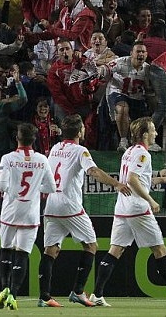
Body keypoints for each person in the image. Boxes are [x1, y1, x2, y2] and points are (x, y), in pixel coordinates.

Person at [89, 116, 166, 307]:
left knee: (115, 249)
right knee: (159, 249)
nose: (156, 133)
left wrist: (162, 180)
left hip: (123, 207)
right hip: (138, 208)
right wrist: (151, 200)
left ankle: (96, 295)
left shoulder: (129, 152)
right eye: (152, 130)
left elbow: (138, 180)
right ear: (144, 134)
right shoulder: (143, 154)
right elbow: (132, 179)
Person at [38, 114, 131, 308]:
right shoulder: (81, 151)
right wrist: (116, 184)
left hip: (51, 203)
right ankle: (78, 291)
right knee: (91, 245)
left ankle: (45, 296)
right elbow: (94, 172)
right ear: (80, 131)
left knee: (51, 250)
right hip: (69, 205)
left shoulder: (55, 148)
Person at [0, 123, 56, 310]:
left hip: (10, 211)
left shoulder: (8, 158)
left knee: (6, 250)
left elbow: (1, 186)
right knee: (22, 254)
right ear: (34, 139)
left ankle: (4, 287)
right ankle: (13, 294)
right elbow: (52, 188)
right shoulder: (42, 160)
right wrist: (36, 188)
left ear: (17, 138)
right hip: (30, 213)